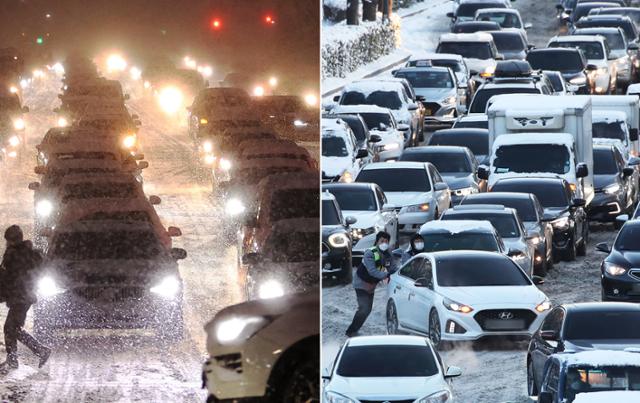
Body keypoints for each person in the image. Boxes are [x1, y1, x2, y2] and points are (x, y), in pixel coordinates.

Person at [0, 225, 50, 372]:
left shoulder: (13, 255)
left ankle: (39, 351)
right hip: (25, 295)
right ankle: (14, 358)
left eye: (8, 240)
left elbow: (7, 277)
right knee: (12, 327)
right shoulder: (27, 252)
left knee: (11, 328)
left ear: (11, 240)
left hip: (19, 297)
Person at [346, 231, 398, 337]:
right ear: (377, 242)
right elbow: (372, 271)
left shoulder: (388, 253)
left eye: (386, 241)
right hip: (361, 283)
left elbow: (393, 267)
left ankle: (353, 330)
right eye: (382, 241)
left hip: (371, 285)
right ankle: (351, 331)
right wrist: (387, 274)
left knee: (367, 310)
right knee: (363, 308)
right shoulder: (370, 253)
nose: (384, 243)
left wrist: (396, 272)